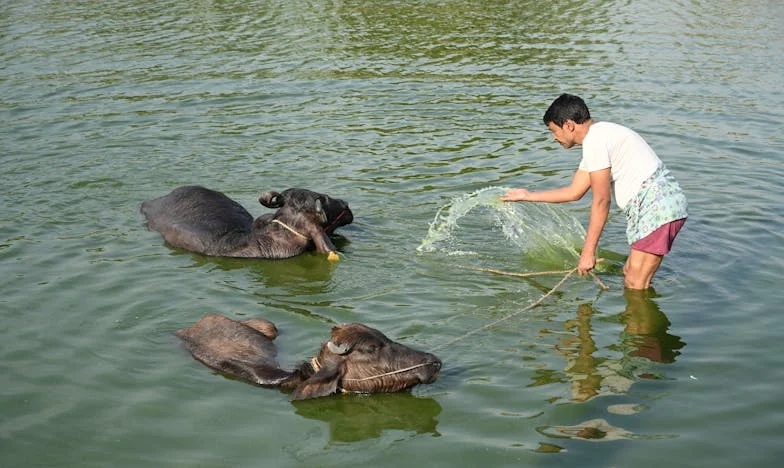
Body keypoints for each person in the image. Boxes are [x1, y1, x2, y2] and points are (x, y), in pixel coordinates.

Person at [501, 94, 688, 289]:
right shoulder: (599, 137)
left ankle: (638, 318)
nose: (554, 138)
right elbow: (574, 192)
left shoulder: (595, 142)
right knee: (629, 274)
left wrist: (588, 253)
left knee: (635, 283)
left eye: (553, 131)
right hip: (657, 208)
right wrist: (527, 196)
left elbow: (601, 201)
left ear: (568, 125)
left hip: (657, 209)